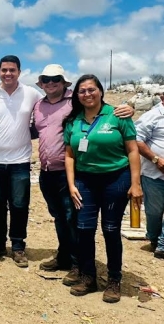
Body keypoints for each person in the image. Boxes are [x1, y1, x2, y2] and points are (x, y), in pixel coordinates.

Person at [34, 64, 134, 286]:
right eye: (46, 79)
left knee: (87, 223)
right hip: (52, 172)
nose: (51, 83)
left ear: (64, 82)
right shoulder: (39, 106)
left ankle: (82, 266)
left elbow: (128, 143)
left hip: (88, 175)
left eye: (56, 79)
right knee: (63, 219)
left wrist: (130, 107)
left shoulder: (76, 102)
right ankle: (67, 259)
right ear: (41, 83)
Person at [63, 74, 142, 303]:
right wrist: (71, 184)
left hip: (115, 179)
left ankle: (114, 280)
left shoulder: (118, 115)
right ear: (77, 95)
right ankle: (88, 277)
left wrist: (135, 183)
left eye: (91, 89)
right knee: (84, 229)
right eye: (82, 91)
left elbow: (132, 150)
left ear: (100, 91)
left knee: (110, 229)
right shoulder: (73, 121)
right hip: (85, 180)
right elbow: (69, 155)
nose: (87, 94)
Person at [0, 55, 42, 267]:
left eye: (12, 70)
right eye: (4, 70)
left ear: (19, 72)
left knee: (19, 205)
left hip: (20, 161)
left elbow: (53, 105)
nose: (8, 73)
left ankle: (17, 246)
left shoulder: (32, 94)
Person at [134, 91, 164, 259]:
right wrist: (156, 159)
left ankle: (162, 245)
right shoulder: (151, 116)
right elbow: (137, 140)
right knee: (154, 212)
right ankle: (154, 238)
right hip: (154, 175)